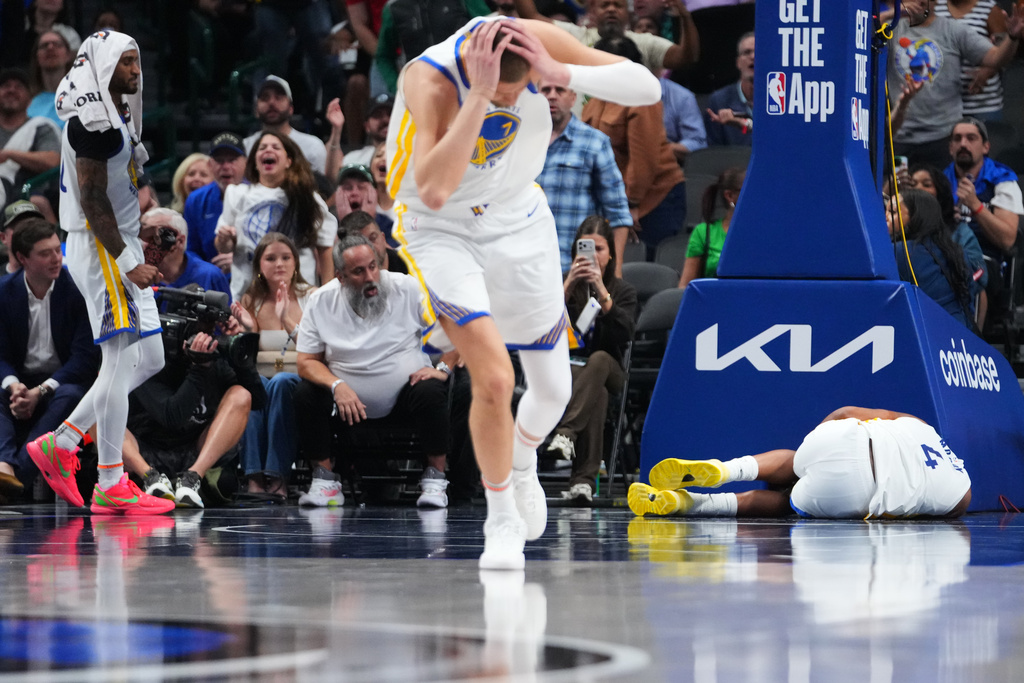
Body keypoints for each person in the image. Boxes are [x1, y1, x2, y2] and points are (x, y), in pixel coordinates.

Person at [385, 16, 660, 568]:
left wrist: (562, 69)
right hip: (439, 229)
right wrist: (481, 95)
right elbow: (436, 190)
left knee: (555, 390)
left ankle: (524, 459)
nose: (513, 101)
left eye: (524, 89)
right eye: (503, 91)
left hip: (519, 218)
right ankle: (501, 516)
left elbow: (647, 87)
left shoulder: (533, 42)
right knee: (493, 376)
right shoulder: (430, 79)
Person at [27, 30, 175, 515]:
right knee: (116, 361)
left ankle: (63, 439)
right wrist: (128, 259)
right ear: (104, 65)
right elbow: (92, 199)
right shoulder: (95, 123)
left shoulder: (112, 109)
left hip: (118, 241)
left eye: (136, 61)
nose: (136, 71)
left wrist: (139, 236)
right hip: (102, 248)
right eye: (126, 63)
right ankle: (110, 481)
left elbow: (115, 188)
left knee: (149, 357)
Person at [294, 235, 452, 509]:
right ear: (341, 277)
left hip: (406, 397)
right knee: (306, 391)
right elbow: (306, 361)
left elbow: (457, 321)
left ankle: (436, 479)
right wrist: (336, 385)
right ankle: (325, 480)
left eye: (373, 267)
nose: (370, 277)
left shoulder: (407, 288)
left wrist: (444, 368)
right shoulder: (321, 301)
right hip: (347, 406)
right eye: (358, 271)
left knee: (432, 390)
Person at [629, 406, 972, 520]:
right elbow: (911, 515)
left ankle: (725, 470)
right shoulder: (962, 494)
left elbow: (846, 413)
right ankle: (693, 504)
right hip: (858, 491)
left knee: (795, 463)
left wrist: (819, 447)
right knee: (784, 503)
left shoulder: (922, 426)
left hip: (847, 439)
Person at [0, 219, 99, 502]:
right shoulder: (3, 292)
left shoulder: (77, 289)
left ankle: (14, 480)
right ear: (22, 259)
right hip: (20, 379)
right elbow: (1, 354)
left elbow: (84, 359)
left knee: (72, 395)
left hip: (61, 380)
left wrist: (41, 390)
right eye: (45, 253)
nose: (56, 258)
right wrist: (14, 386)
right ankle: (3, 464)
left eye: (58, 250)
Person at [124, 320, 266, 509]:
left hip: (194, 454)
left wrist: (238, 352)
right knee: (96, 407)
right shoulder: (150, 359)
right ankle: (150, 478)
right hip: (145, 451)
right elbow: (171, 417)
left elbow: (258, 401)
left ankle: (192, 478)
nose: (202, 339)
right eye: (196, 332)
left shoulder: (213, 360)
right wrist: (198, 369)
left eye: (207, 332)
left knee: (241, 395)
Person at [549, 217, 636, 502]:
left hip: (609, 368)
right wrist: (567, 284)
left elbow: (626, 333)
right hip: (569, 369)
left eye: (598, 249)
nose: (592, 255)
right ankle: (583, 483)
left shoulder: (622, 291)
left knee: (598, 361)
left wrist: (602, 291)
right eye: (585, 248)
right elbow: (542, 324)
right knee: (594, 391)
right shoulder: (563, 285)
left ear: (611, 253)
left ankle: (566, 433)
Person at [582, 33, 686, 259]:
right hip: (613, 198)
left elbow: (644, 159)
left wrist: (631, 204)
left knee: (644, 263)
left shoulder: (642, 99)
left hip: (652, 198)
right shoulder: (594, 101)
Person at [887, 0, 1023, 169]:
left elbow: (995, 58)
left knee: (943, 191)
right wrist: (896, 12)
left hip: (943, 135)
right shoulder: (891, 29)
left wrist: (1013, 37)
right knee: (899, 193)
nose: (918, 3)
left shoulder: (952, 29)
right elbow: (860, 28)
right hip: (899, 135)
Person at [231, 232, 316, 499]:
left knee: (279, 383)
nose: (279, 263)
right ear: (259, 265)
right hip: (264, 376)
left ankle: (279, 476)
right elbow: (247, 355)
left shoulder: (312, 296)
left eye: (285, 257)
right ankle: (254, 477)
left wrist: (285, 318)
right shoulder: (251, 300)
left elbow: (317, 347)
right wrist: (246, 329)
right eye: (271, 258)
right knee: (251, 389)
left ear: (295, 263)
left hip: (301, 375)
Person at [215, 130, 337, 302]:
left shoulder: (307, 197)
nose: (268, 150)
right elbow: (224, 248)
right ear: (255, 162)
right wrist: (224, 238)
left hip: (298, 297)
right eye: (262, 147)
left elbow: (325, 246)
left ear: (288, 161)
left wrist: (327, 293)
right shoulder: (236, 194)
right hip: (249, 296)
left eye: (275, 147)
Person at [535, 78, 632, 274]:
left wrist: (616, 270)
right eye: (546, 90)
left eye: (560, 90)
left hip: (579, 266)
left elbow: (619, 214)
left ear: (573, 98)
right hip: (530, 265)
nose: (552, 95)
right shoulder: (522, 142)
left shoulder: (595, 143)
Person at [513, 0, 700, 74]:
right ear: (593, 11)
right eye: (605, 5)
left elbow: (686, 57)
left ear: (628, 13)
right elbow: (531, 16)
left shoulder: (644, 42)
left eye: (617, 5)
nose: (611, 9)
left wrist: (685, 16)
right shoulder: (575, 36)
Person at [886, 188, 975, 326]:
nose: (885, 217)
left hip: (923, 336)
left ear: (916, 216)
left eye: (893, 212)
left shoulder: (897, 252)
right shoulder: (958, 251)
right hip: (960, 336)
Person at [907, 163, 987, 305]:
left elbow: (980, 274)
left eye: (926, 184)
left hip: (948, 300)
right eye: (912, 184)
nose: (918, 189)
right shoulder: (898, 229)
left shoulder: (959, 232)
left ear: (940, 193)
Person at [933, 0, 1009, 123]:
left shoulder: (989, 8)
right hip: (943, 105)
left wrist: (988, 71)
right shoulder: (935, 6)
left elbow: (1005, 47)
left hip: (982, 103)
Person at [183, 131, 247, 268]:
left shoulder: (259, 195)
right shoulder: (196, 200)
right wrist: (209, 270)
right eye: (219, 160)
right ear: (210, 165)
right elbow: (191, 250)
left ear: (246, 163)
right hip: (211, 275)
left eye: (232, 160)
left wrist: (240, 260)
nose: (225, 167)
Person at [0, 67, 60, 211]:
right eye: (6, 86)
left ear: (30, 99)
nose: (11, 90)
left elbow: (52, 160)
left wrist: (9, 155)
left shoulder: (41, 127)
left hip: (25, 197)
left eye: (19, 87)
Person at [242, 76, 328, 175]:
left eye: (279, 98)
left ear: (291, 109)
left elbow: (321, 187)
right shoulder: (246, 146)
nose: (272, 102)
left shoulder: (313, 146)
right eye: (265, 98)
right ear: (256, 110)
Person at [678, 166, 745, 289]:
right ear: (729, 195)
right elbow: (685, 286)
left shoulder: (763, 234)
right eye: (747, 190)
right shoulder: (703, 232)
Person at [140, 208, 230, 299]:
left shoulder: (210, 276)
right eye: (142, 237)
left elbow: (228, 312)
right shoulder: (137, 277)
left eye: (154, 237)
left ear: (180, 241)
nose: (144, 243)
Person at [703, 32, 754, 146]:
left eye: (758, 52)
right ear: (738, 63)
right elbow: (713, 152)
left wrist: (744, 125)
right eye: (747, 52)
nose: (753, 56)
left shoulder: (779, 99)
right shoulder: (719, 101)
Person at [26, 30, 74, 128]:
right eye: (44, 45)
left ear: (68, 55)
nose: (50, 48)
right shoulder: (26, 101)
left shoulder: (84, 96)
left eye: (57, 44)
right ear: (37, 58)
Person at [338, 210, 408, 274]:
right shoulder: (343, 276)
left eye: (373, 238)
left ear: (383, 238)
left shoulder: (409, 265)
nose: (370, 247)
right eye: (361, 243)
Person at [2, 200, 44, 275]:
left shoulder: (61, 276)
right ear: (3, 237)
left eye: (34, 226)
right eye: (19, 227)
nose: (28, 232)